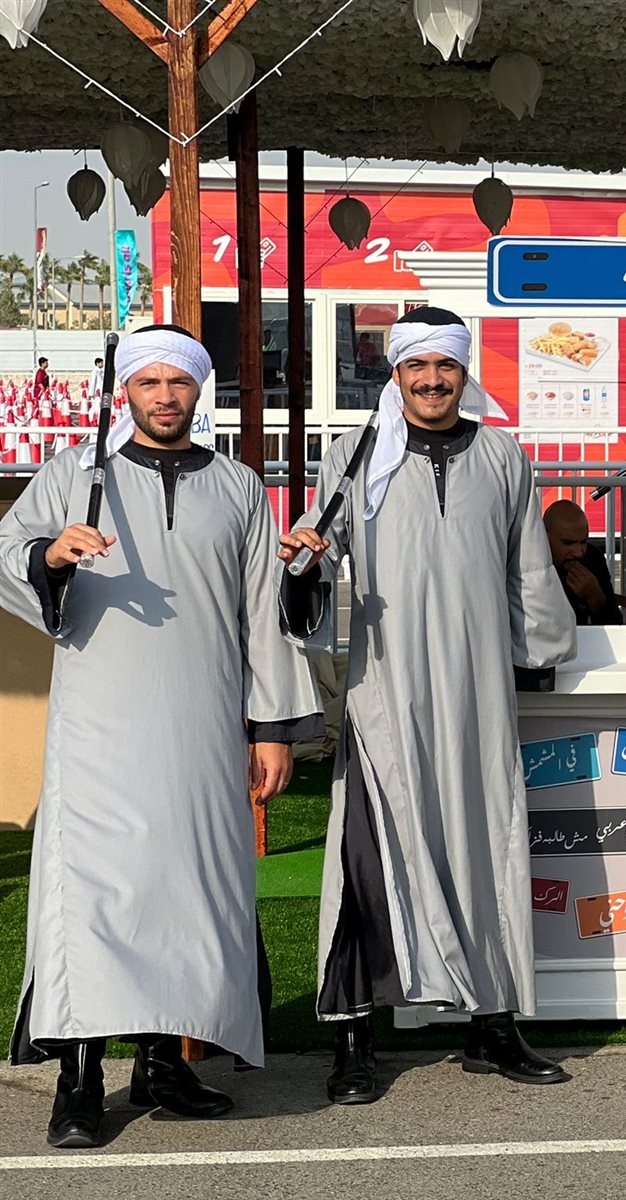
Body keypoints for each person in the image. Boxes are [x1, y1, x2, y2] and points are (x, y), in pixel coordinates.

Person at [0, 325, 322, 1149]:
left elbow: (263, 612)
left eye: (178, 384)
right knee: (92, 900)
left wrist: (273, 729)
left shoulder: (238, 486)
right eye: (149, 383)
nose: (165, 397)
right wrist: (51, 555)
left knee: (186, 899)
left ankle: (163, 1064)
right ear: (128, 392)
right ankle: (78, 1080)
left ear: (197, 391)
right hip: (97, 733)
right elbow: (8, 553)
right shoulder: (75, 472)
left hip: (204, 729)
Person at [278, 306, 578, 1105]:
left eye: (446, 365)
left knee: (488, 849)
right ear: (397, 372)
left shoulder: (503, 456)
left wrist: (540, 655)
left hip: (478, 695)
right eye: (419, 366)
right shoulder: (354, 455)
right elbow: (316, 551)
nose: (433, 380)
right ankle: (353, 1039)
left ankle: (493, 1024)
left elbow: (528, 569)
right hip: (386, 695)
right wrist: (303, 565)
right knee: (365, 863)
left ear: (463, 371)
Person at [543, 498, 624, 625]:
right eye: (568, 543)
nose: (578, 552)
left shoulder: (592, 558)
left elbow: (614, 625)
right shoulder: (531, 562)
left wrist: (595, 597)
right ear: (545, 538)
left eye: (583, 542)